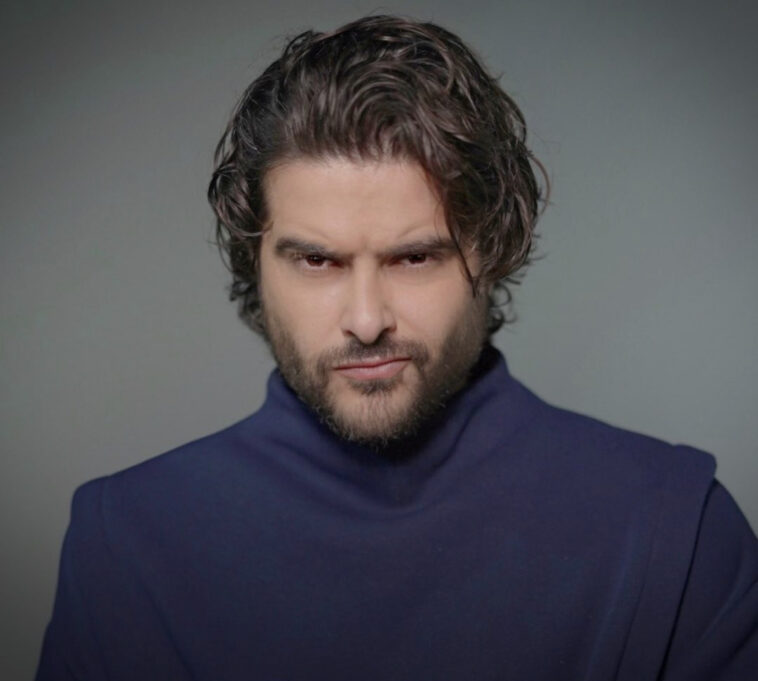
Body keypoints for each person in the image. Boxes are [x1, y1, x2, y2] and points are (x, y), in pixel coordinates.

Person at [36, 15, 757, 681]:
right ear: (255, 264)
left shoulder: (677, 532)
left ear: (493, 249)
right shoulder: (125, 544)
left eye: (414, 258)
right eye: (317, 261)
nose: (366, 319)